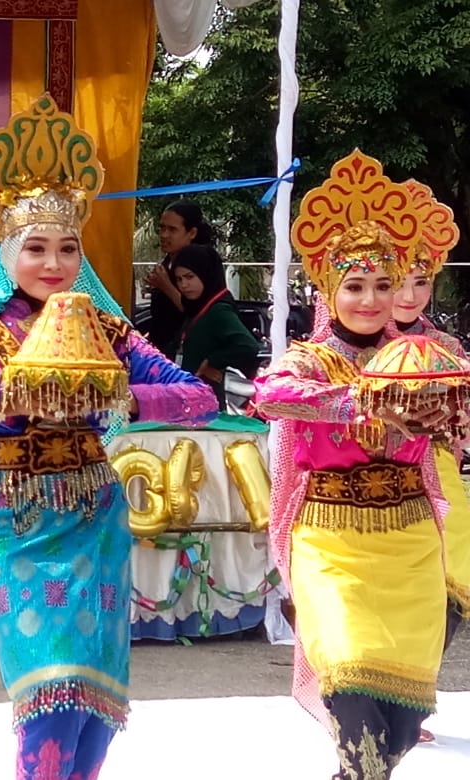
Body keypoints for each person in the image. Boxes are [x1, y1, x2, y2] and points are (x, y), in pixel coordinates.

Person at [0, 96, 218, 780]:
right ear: (5, 252)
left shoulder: (108, 330)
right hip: (6, 515)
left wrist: (112, 393)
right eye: (35, 247)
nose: (54, 262)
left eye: (68, 248)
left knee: (94, 698)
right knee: (48, 687)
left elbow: (199, 398)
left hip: (92, 512)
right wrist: (7, 401)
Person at [255, 152, 454, 780]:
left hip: (412, 540)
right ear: (327, 291)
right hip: (331, 537)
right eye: (354, 286)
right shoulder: (312, 359)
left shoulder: (427, 356)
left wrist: (447, 415)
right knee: (349, 678)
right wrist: (367, 397)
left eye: (382, 286)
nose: (370, 301)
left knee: (397, 721)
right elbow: (269, 395)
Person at [390, 196, 469, 743]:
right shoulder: (347, 346)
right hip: (376, 488)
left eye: (422, 282)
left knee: (456, 586)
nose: (410, 295)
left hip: (440, 478)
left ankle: (413, 694)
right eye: (399, 281)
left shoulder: (446, 347)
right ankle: (383, 700)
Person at [169, 243, 261, 408]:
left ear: (206, 274)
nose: (183, 285)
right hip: (187, 399)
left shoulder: (219, 310)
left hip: (205, 404)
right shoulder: (195, 307)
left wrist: (212, 362)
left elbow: (248, 345)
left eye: (190, 277)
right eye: (179, 279)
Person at [144, 199, 213, 355]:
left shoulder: (202, 260)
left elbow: (198, 313)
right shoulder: (168, 261)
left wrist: (166, 286)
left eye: (172, 230)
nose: (164, 235)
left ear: (192, 233)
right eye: (161, 228)